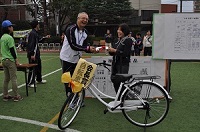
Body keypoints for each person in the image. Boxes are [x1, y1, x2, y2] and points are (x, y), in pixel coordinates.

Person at [60, 12, 97, 96]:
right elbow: (73, 45)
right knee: (68, 79)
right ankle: (70, 98)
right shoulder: (71, 29)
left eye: (86, 19)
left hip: (77, 59)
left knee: (77, 79)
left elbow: (84, 47)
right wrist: (87, 48)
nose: (85, 20)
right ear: (78, 19)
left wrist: (91, 50)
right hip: (66, 58)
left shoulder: (85, 32)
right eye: (83, 18)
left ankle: (77, 98)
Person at [0, 20, 23, 102]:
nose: (12, 27)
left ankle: (5, 95)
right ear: (8, 28)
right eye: (11, 26)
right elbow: (12, 50)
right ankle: (16, 95)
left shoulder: (2, 37)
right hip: (10, 60)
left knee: (6, 79)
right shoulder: (9, 38)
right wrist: (16, 59)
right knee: (14, 78)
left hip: (4, 60)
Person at [107, 23, 133, 95]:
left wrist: (114, 51)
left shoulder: (128, 40)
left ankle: (124, 98)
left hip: (123, 65)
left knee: (120, 83)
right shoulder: (118, 40)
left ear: (125, 31)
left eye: (120, 30)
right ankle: (119, 99)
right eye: (118, 30)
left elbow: (125, 53)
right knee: (115, 82)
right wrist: (110, 51)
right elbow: (115, 52)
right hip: (115, 63)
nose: (118, 31)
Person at [27, 20, 50, 88]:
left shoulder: (35, 33)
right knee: (32, 68)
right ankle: (30, 82)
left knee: (38, 66)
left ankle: (39, 79)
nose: (39, 25)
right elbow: (31, 45)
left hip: (36, 54)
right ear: (36, 25)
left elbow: (40, 39)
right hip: (33, 54)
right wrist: (31, 54)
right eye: (38, 24)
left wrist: (45, 37)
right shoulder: (32, 33)